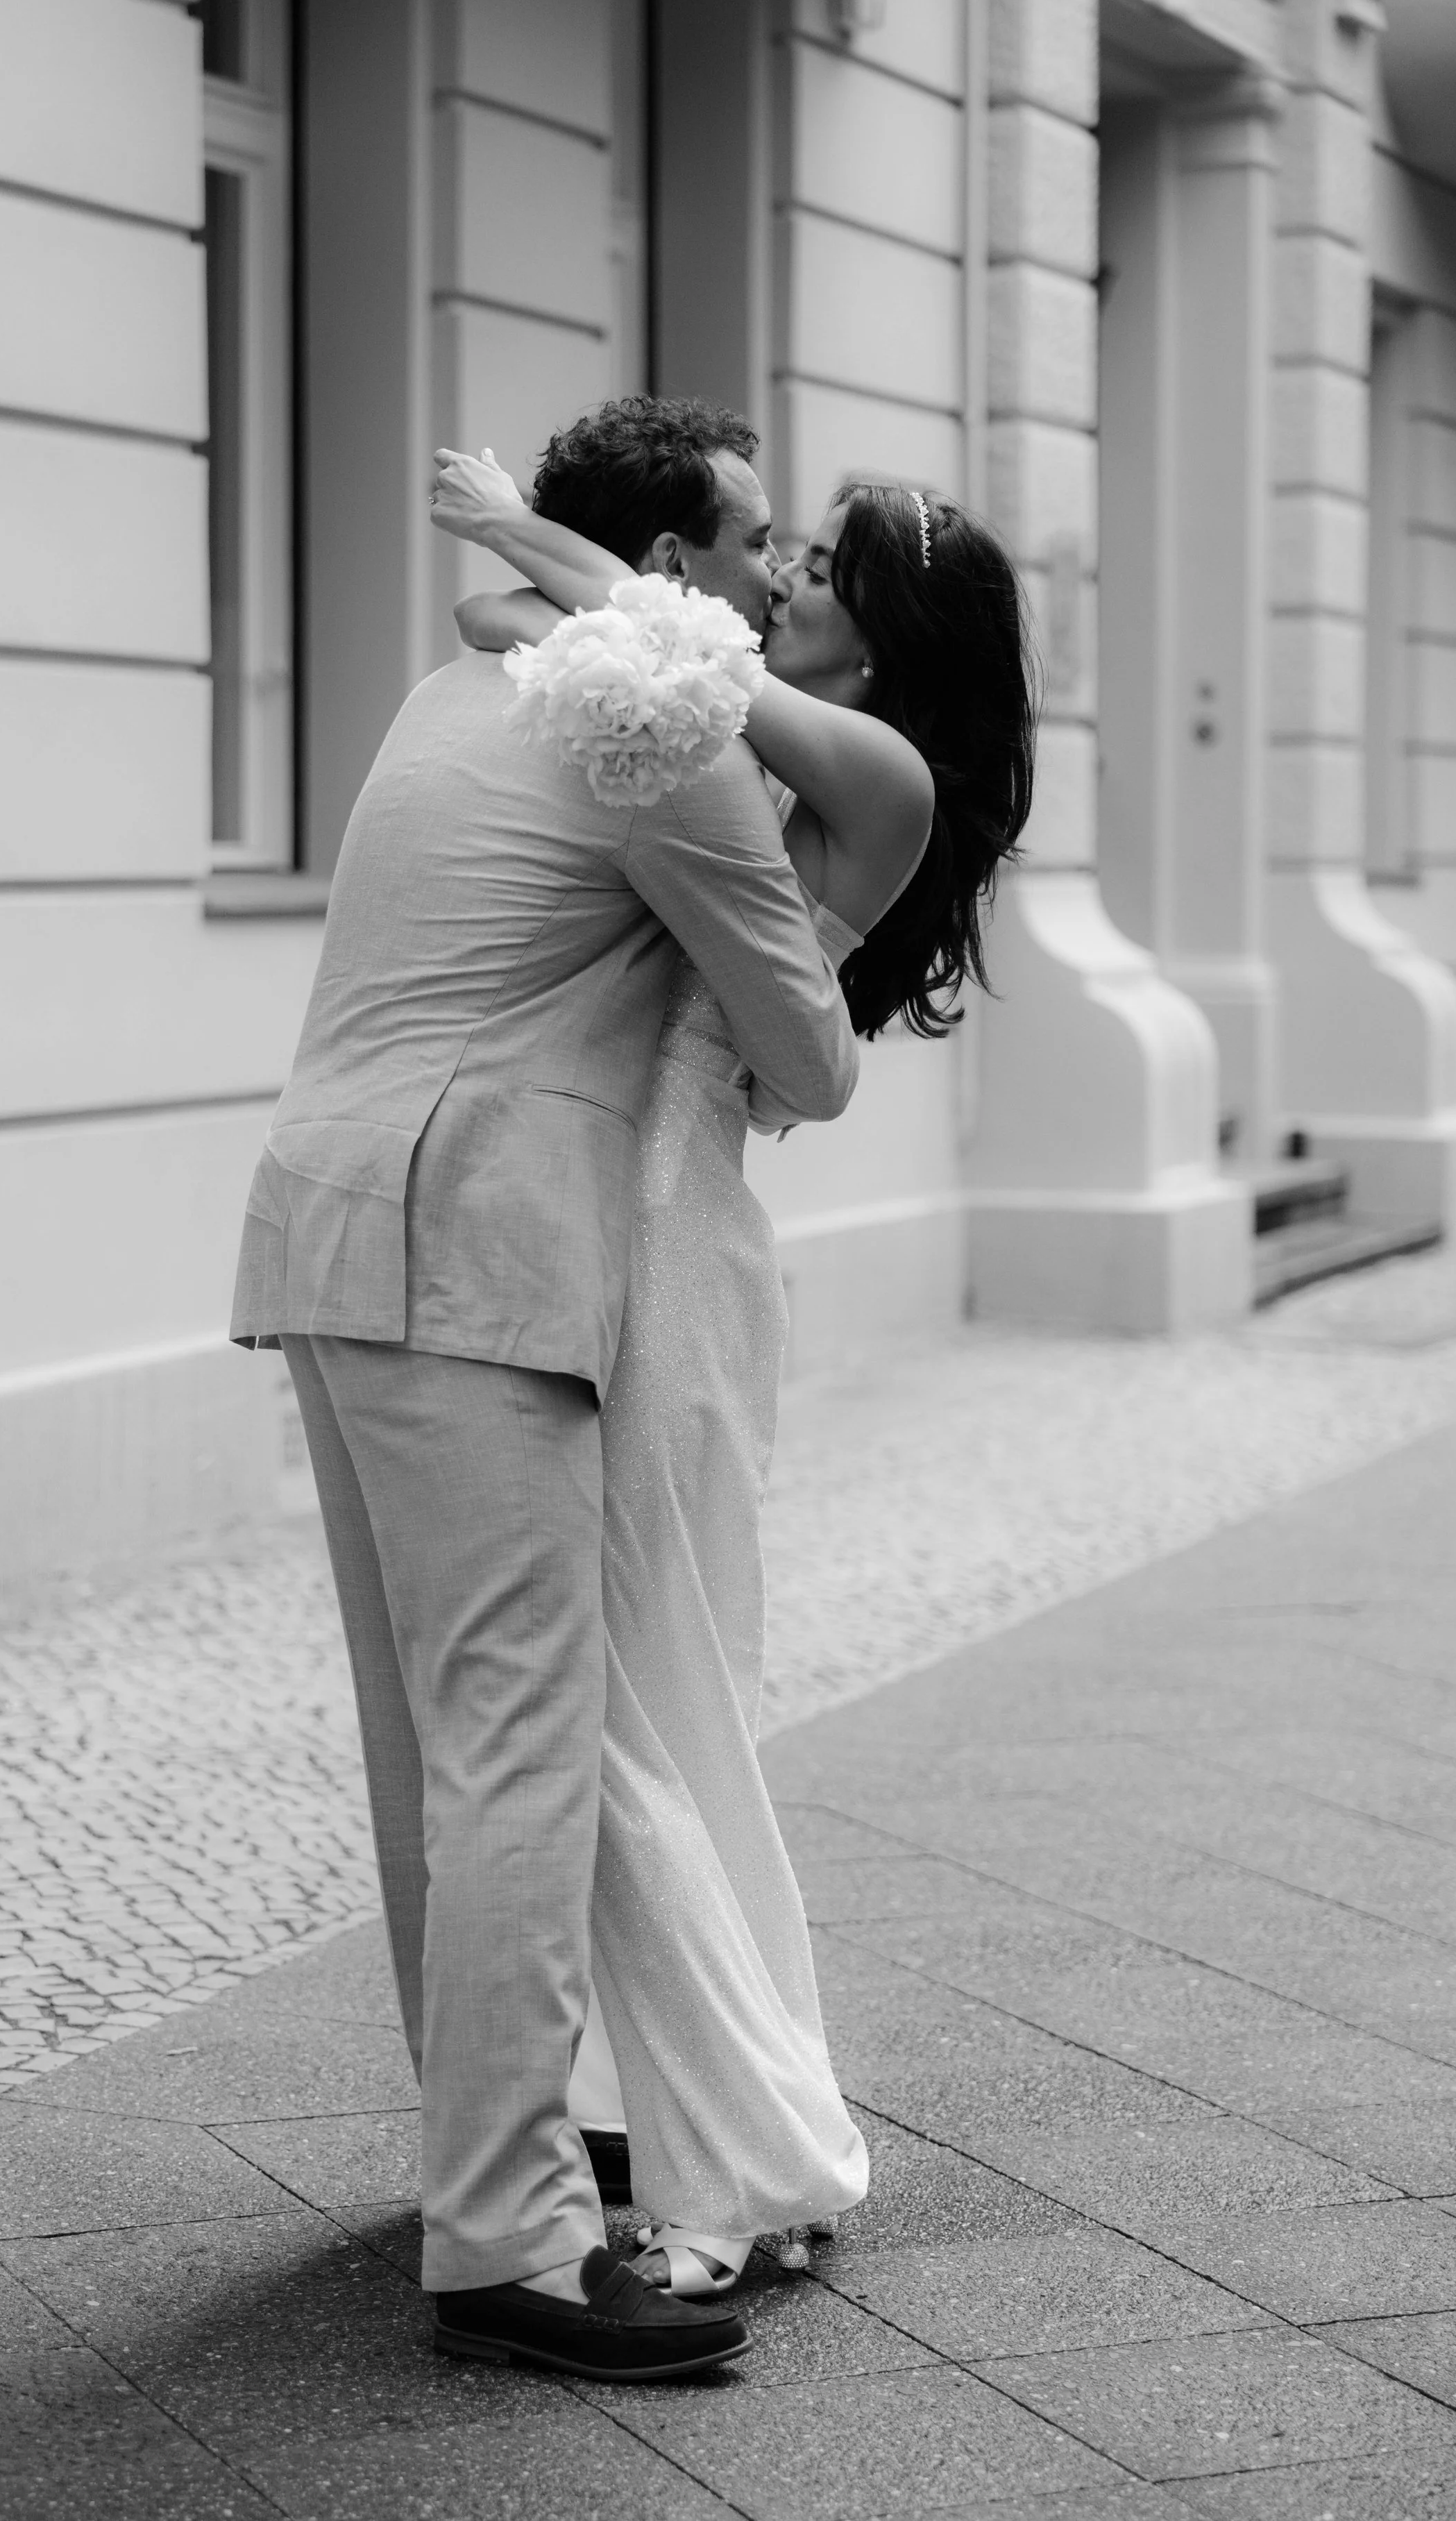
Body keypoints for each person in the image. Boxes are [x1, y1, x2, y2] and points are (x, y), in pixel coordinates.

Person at [230, 396, 861, 2379]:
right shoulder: (648, 725)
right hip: (476, 1253)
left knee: (436, 1742)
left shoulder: (448, 688)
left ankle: (479, 2166)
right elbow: (808, 1049)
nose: (772, 574)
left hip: (331, 1226)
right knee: (520, 1739)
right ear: (666, 570)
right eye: (749, 541)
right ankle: (504, 2241)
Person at [437, 410, 1038, 2296]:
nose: (766, 580)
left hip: (672, 1256)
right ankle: (722, 2118)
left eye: (808, 565)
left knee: (616, 1711)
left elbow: (594, 620)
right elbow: (493, 619)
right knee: (650, 1711)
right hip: (600, 1218)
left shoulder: (873, 766)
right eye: (765, 551)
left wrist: (531, 532)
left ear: (874, 634)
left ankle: (735, 2161)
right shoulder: (721, 702)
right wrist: (529, 562)